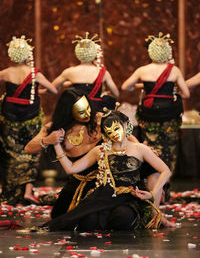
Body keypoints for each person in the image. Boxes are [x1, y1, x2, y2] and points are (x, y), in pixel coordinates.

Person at [30, 110, 171, 232]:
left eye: (117, 128)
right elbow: (70, 169)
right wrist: (56, 145)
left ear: (126, 125)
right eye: (109, 132)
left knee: (123, 218)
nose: (114, 134)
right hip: (104, 195)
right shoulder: (100, 150)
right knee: (88, 222)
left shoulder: (139, 149)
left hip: (129, 197)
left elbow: (165, 171)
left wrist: (152, 193)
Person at [121, 33, 190, 179]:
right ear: (167, 52)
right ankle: (165, 186)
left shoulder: (142, 70)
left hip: (149, 114)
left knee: (150, 147)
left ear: (150, 52)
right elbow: (187, 94)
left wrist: (146, 87)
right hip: (169, 114)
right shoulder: (174, 70)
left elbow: (126, 86)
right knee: (169, 149)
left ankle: (151, 181)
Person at [24, 88, 102, 214]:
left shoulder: (99, 119)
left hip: (104, 180)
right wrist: (47, 140)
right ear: (68, 111)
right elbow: (28, 149)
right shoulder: (55, 127)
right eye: (81, 111)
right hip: (78, 182)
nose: (87, 114)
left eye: (88, 108)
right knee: (59, 213)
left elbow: (126, 134)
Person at [0, 35, 57, 205]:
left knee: (11, 154)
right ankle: (27, 191)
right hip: (31, 118)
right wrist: (37, 91)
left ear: (11, 54)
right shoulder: (34, 74)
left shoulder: (5, 73)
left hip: (9, 119)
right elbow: (53, 90)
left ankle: (10, 191)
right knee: (32, 152)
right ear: (27, 54)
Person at [51, 32, 119, 111]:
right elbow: (116, 94)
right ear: (94, 53)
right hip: (96, 111)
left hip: (75, 113)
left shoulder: (69, 72)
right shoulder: (104, 73)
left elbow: (52, 89)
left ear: (77, 53)